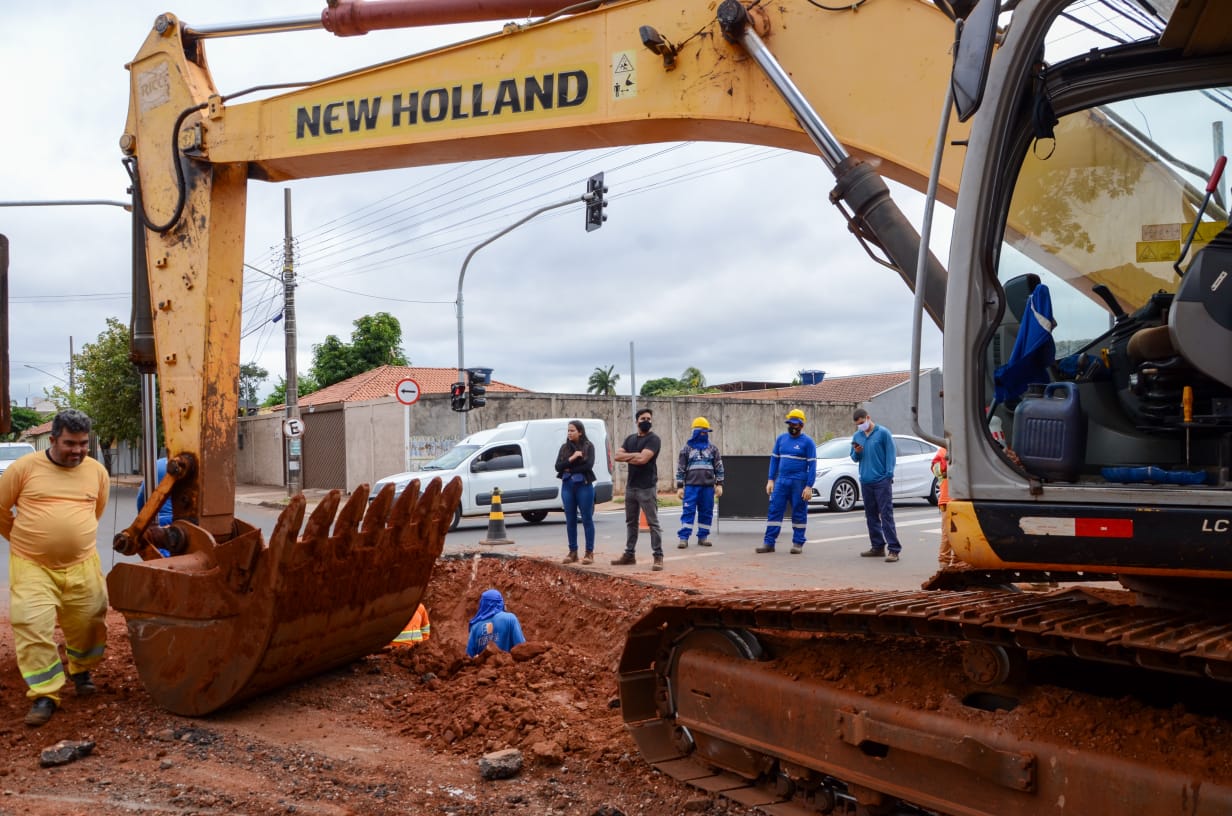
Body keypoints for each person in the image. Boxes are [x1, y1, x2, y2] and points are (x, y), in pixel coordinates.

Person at [0, 409, 110, 727]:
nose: (77, 450)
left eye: (83, 443)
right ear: (52, 439)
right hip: (32, 564)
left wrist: (74, 538)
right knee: (31, 625)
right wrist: (24, 538)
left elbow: (96, 509)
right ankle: (45, 693)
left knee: (89, 619)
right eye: (70, 443)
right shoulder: (24, 468)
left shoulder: (96, 471)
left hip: (82, 563)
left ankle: (81, 671)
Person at [611, 408, 664, 571]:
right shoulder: (630, 439)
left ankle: (658, 556)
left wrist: (630, 457)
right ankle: (629, 555)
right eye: (643, 418)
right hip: (631, 487)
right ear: (636, 421)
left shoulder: (654, 439)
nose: (646, 421)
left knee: (653, 523)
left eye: (649, 418)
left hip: (647, 487)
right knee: (631, 522)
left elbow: (643, 459)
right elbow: (617, 456)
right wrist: (636, 456)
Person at [758, 409, 816, 554]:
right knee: (774, 510)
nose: (793, 426)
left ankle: (798, 543)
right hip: (781, 480)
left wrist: (809, 486)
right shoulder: (781, 439)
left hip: (799, 481)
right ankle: (769, 543)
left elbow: (812, 465)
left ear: (802, 425)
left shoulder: (808, 442)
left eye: (796, 424)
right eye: (790, 423)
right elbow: (774, 460)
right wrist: (770, 480)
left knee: (799, 511)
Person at [851, 408, 901, 562]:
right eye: (858, 424)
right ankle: (877, 546)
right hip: (866, 481)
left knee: (886, 515)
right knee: (871, 516)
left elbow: (890, 455)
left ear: (868, 418)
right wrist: (857, 451)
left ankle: (893, 549)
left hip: (881, 481)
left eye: (862, 423)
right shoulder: (857, 436)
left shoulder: (883, 433)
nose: (861, 426)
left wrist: (888, 475)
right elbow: (854, 458)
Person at [675, 416, 725, 548]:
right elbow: (681, 469)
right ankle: (683, 538)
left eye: (706, 432)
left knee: (706, 511)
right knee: (688, 511)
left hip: (708, 487)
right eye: (703, 432)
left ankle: (703, 537)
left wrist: (719, 484)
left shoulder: (713, 449)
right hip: (691, 486)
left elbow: (719, 467)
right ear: (696, 432)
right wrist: (680, 486)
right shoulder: (686, 449)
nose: (705, 435)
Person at [556, 420, 598, 565]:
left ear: (580, 432)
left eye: (572, 430)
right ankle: (572, 551)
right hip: (567, 485)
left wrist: (569, 468)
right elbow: (558, 466)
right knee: (570, 519)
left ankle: (589, 552)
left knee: (587, 518)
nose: (569, 433)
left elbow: (588, 465)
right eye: (568, 430)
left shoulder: (588, 446)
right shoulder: (564, 448)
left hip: (583, 485)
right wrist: (572, 458)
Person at [466, 589, 526, 657]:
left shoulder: (475, 627)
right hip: (508, 666)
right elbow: (521, 647)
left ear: (483, 604)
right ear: (500, 602)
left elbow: (468, 657)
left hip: (484, 667)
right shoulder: (510, 618)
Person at [932, 446, 954, 567]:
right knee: (948, 534)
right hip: (947, 499)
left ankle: (958, 561)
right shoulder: (943, 451)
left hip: (962, 499)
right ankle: (944, 562)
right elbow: (937, 469)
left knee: (962, 535)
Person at [135, 456, 173, 527]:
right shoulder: (192, 469)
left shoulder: (157, 465)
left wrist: (142, 518)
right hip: (182, 523)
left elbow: (141, 497)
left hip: (155, 522)